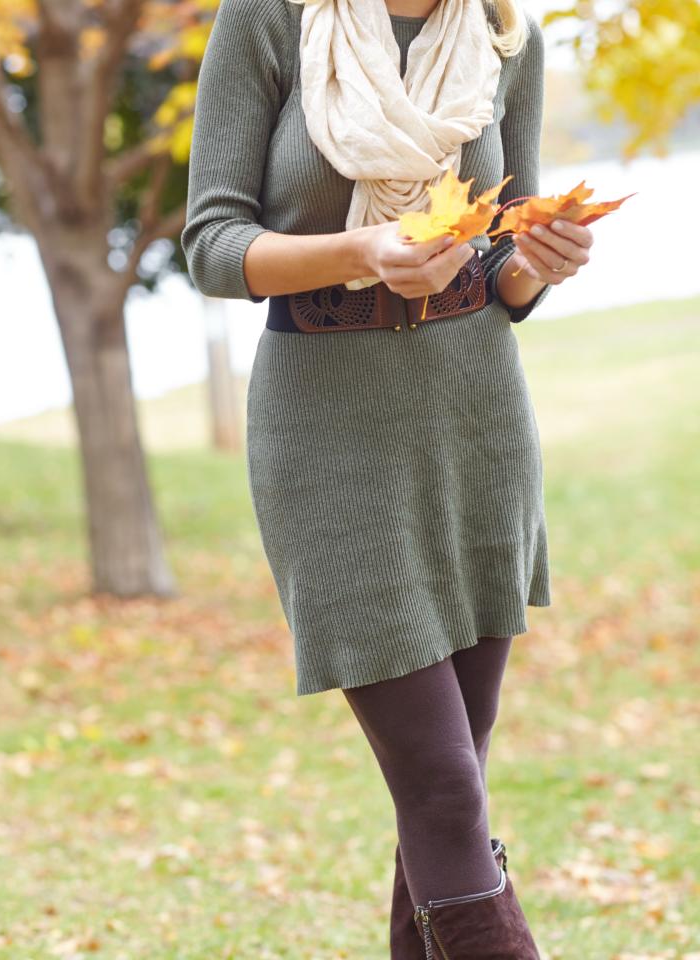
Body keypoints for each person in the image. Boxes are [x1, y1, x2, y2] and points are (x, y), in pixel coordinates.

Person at [181, 0, 593, 955]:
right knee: (445, 786)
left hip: (477, 422)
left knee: (451, 784)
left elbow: (503, 255)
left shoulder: (502, 34)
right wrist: (363, 252)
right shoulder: (275, 19)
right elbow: (212, 245)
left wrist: (542, 264)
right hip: (328, 433)